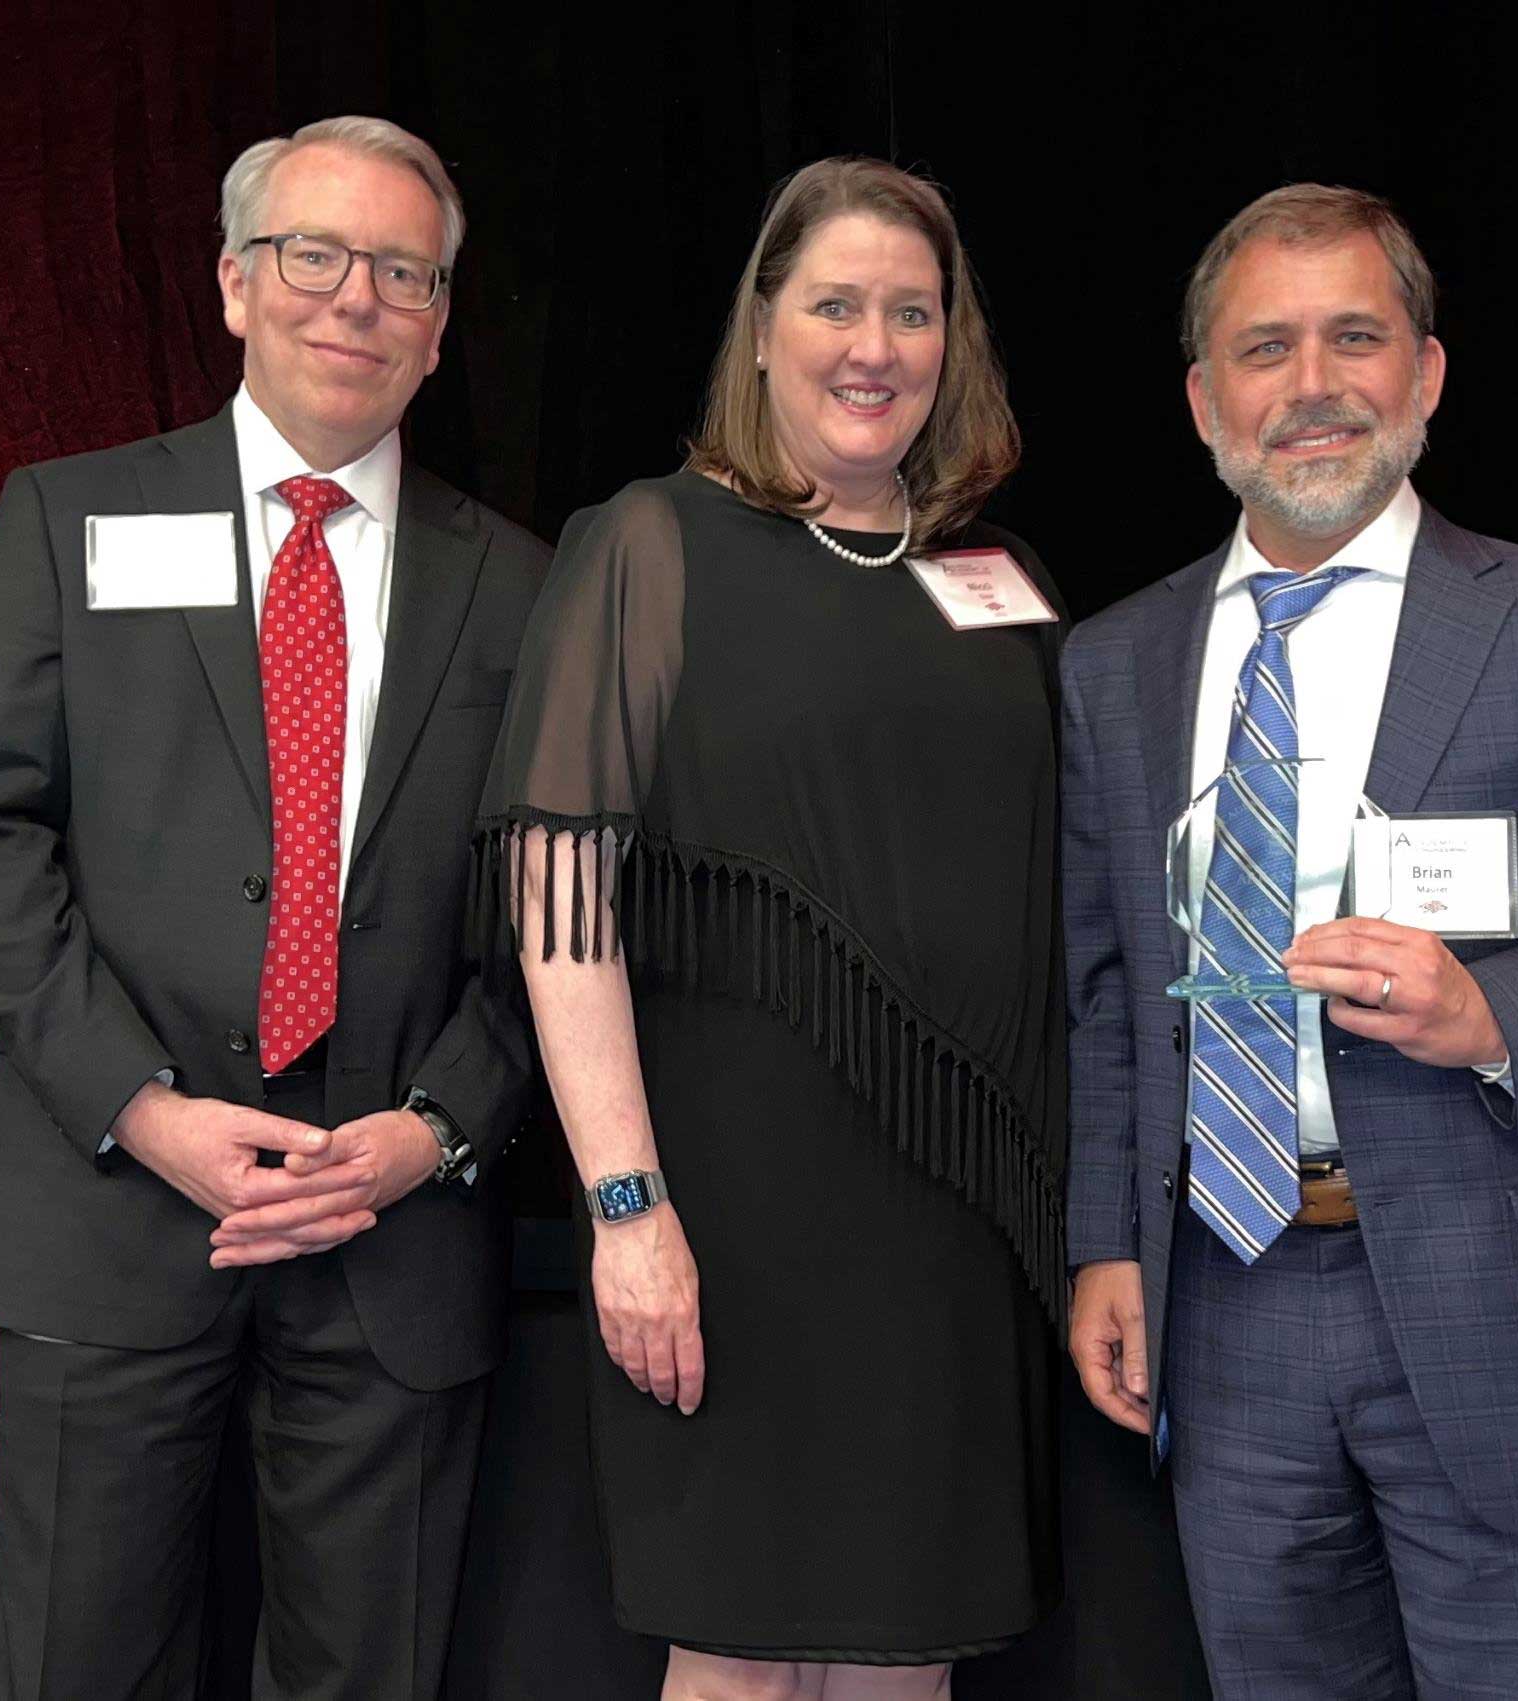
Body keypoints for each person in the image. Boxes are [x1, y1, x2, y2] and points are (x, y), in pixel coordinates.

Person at [1060, 184, 1518, 1698]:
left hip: (1509, 1306)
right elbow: (1108, 989)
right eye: (1265, 348)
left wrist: (1495, 1012)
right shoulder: (1113, 664)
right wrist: (1107, 1242)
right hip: (1225, 1306)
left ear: (1428, 374)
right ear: (1204, 400)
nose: (1312, 384)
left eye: (1355, 338)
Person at [0, 115, 546, 1698]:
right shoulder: (69, 518)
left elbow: (560, 906)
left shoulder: (528, 584)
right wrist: (144, 1109)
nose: (355, 298)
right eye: (313, 255)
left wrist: (434, 1131)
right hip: (114, 1206)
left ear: (441, 325)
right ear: (233, 284)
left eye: (402, 272)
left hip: (393, 1225)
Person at [474, 156, 1063, 1698]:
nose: (875, 346)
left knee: (912, 1646)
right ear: (759, 329)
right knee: (738, 1652)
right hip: (724, 1211)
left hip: (952, 1209)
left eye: (913, 312)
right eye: (834, 305)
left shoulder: (998, 576)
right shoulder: (651, 545)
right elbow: (562, 910)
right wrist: (626, 1207)